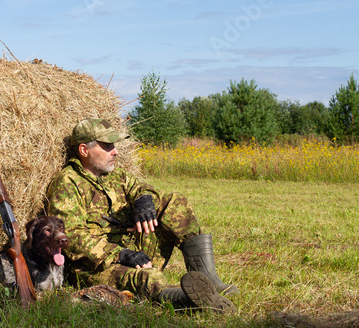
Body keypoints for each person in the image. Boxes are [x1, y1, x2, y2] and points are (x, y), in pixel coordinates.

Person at [44, 118, 238, 313]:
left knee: (174, 203)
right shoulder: (68, 184)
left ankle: (208, 278)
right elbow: (71, 236)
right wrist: (120, 254)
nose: (115, 151)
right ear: (84, 150)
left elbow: (143, 189)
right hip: (97, 267)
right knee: (146, 278)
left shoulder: (117, 175)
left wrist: (144, 199)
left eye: (115, 145)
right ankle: (190, 300)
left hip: (136, 251)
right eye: (107, 146)